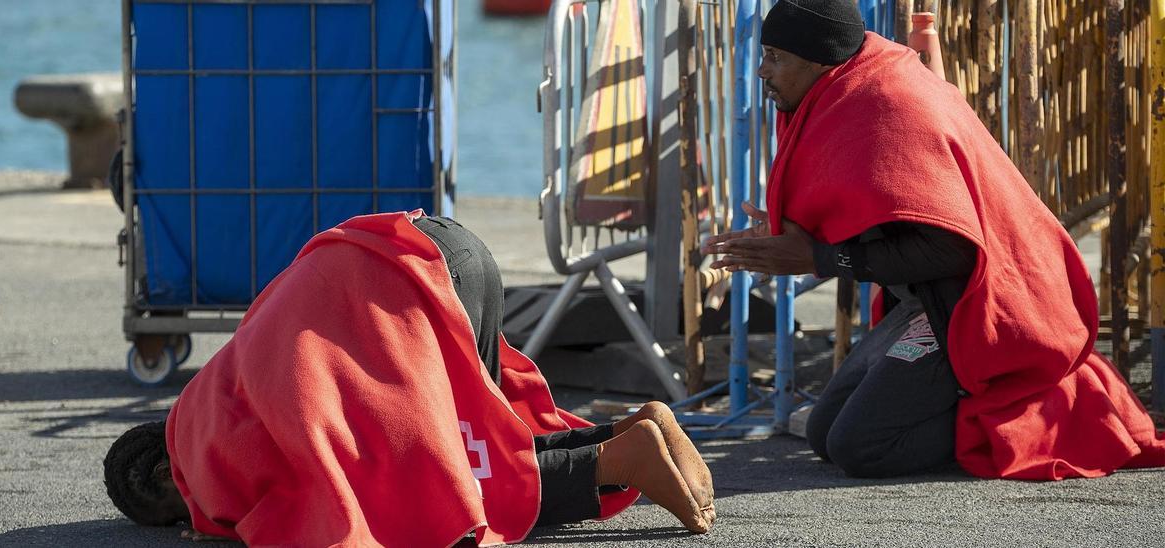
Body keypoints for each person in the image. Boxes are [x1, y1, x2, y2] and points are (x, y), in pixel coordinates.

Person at [704, 0, 1165, 480]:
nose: (762, 70)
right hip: (927, 302)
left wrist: (819, 257)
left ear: (818, 60)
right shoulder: (847, 90)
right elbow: (871, 207)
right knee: (823, 433)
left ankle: (1032, 407)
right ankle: (988, 397)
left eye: (776, 55)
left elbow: (954, 248)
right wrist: (794, 234)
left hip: (979, 305)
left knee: (859, 447)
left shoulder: (888, 105)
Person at [104, 213, 715, 546]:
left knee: (448, 486)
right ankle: (633, 428)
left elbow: (290, 505)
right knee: (477, 446)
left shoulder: (199, 448)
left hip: (400, 290)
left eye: (169, 511)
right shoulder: (213, 388)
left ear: (162, 475)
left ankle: (619, 461)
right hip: (433, 246)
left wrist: (214, 523)